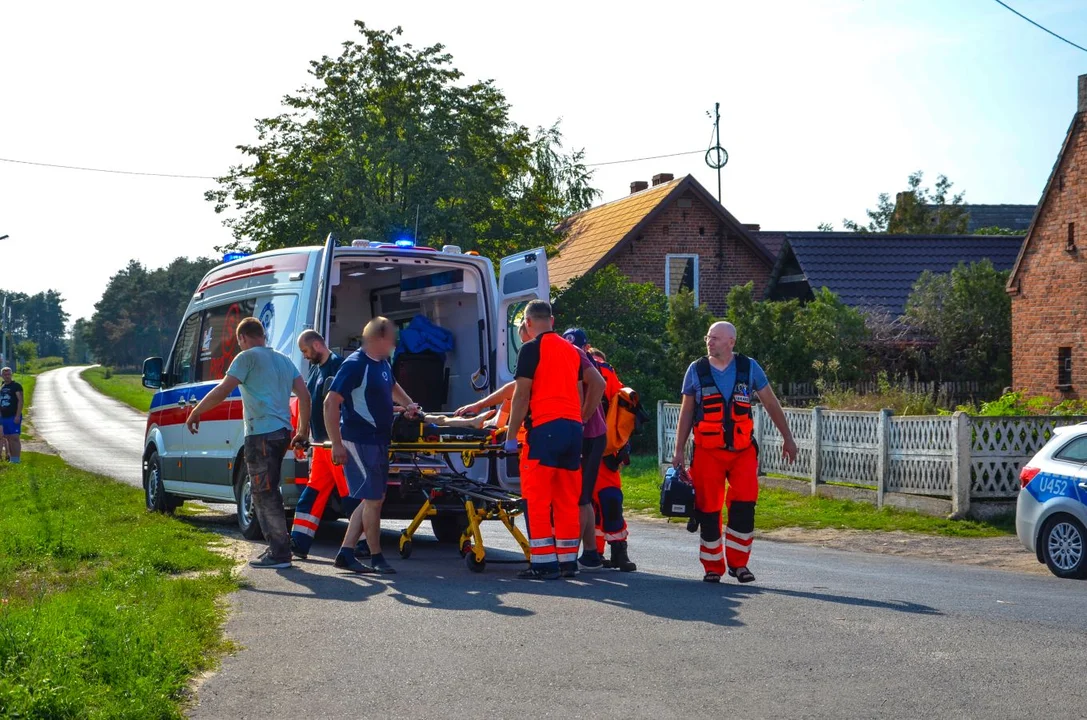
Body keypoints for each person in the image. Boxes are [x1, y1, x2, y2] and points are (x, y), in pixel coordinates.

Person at [672, 321, 796, 584]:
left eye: (715, 338)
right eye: (708, 337)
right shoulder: (696, 370)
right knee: (708, 509)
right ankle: (712, 566)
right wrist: (679, 450)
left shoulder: (749, 367)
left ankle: (739, 565)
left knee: (743, 507)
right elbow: (685, 413)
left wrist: (788, 437)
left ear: (731, 342)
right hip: (707, 452)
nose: (709, 341)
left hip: (742, 452)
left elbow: (770, 402)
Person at [187, 317, 310, 569]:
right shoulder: (284, 360)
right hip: (282, 433)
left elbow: (223, 389)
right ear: (263, 335)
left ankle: (279, 552)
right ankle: (279, 548)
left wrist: (197, 411)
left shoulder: (246, 358)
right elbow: (305, 396)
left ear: (242, 338)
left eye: (239, 341)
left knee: (264, 494)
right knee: (270, 490)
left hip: (260, 434)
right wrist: (302, 431)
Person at [506, 301, 603, 580]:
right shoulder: (571, 351)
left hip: (545, 430)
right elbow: (595, 384)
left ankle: (544, 564)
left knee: (537, 498)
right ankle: (567, 562)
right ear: (552, 319)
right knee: (566, 498)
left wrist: (511, 436)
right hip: (573, 432)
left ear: (526, 323)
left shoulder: (530, 348)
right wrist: (582, 419)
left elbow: (521, 395)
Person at [325, 317, 421, 575]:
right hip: (359, 439)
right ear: (379, 339)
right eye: (391, 338)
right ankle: (376, 556)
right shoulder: (355, 365)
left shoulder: (382, 363)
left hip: (378, 440)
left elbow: (392, 386)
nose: (394, 343)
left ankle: (346, 552)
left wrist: (411, 405)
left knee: (373, 498)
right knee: (373, 501)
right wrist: (336, 444)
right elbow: (330, 402)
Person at [289, 330, 352, 559]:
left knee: (350, 493)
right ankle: (300, 541)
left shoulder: (338, 366)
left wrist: (338, 441)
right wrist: (303, 433)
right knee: (314, 492)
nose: (304, 356)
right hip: (320, 444)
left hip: (335, 442)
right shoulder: (316, 370)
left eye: (305, 351)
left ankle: (361, 542)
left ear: (317, 344)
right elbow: (308, 402)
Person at [560, 328, 608, 571]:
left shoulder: (573, 353)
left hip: (588, 434)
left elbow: (599, 385)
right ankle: (590, 553)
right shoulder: (580, 354)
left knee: (578, 497)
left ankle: (569, 556)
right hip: (593, 434)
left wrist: (581, 420)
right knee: (584, 497)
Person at [0, 368, 24, 464]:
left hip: (13, 416)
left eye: (9, 374)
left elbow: (21, 401)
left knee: (14, 437)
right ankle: (11, 459)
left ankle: (16, 460)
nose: (7, 376)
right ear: (1, 375)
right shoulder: (2, 386)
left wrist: (18, 415)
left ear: (11, 374)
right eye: (5, 374)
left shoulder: (16, 386)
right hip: (3, 417)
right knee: (8, 437)